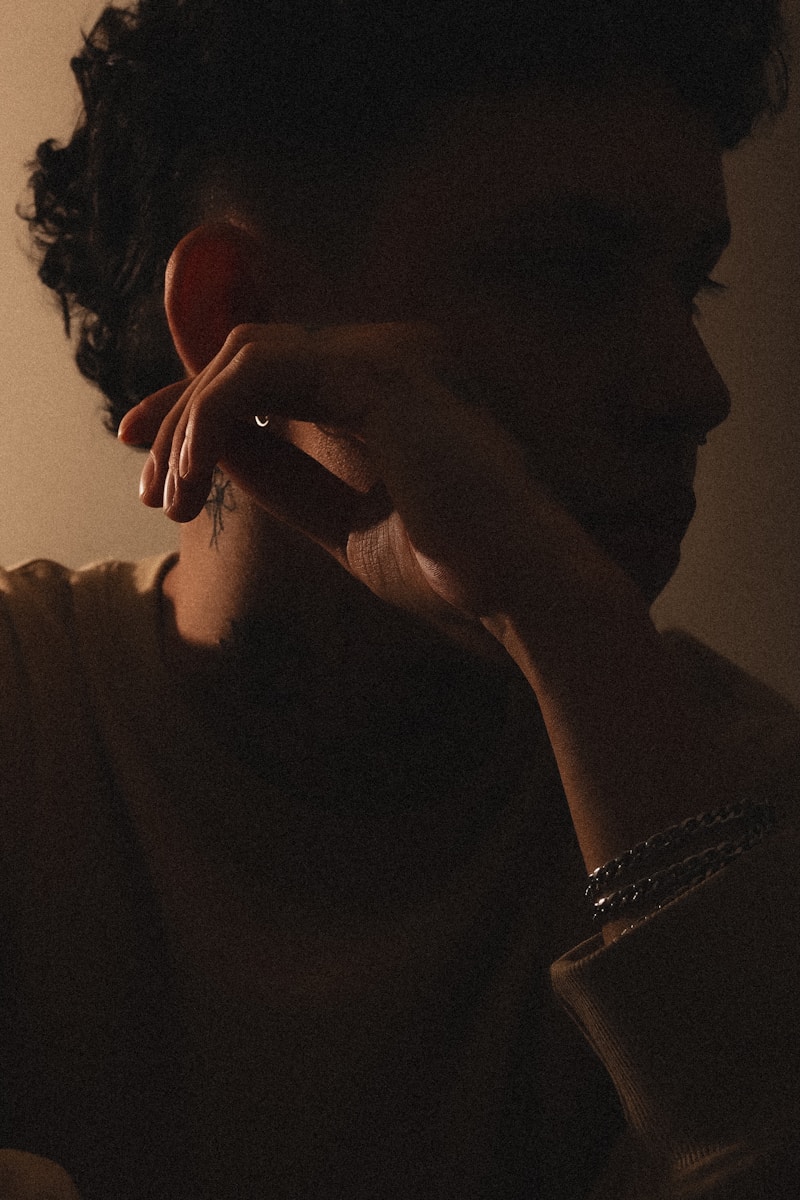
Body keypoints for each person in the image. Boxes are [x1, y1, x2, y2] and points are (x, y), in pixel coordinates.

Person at [3, 1, 799, 1196]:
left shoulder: (741, 800)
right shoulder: (24, 714)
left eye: (690, 286)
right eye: (566, 273)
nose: (694, 390)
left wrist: (570, 633)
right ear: (232, 319)